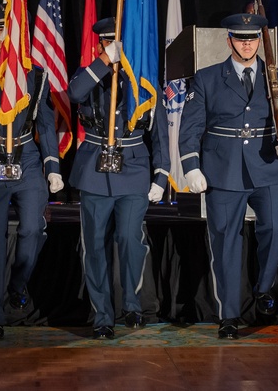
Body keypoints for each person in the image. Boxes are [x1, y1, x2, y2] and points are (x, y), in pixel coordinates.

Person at [178, 12, 278, 340]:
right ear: (229, 41)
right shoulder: (206, 78)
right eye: (241, 39)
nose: (247, 44)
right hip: (223, 171)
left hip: (268, 167)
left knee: (277, 231)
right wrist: (191, 166)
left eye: (252, 39)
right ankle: (230, 315)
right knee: (225, 243)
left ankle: (264, 287)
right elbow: (190, 126)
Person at [0, 4, 64, 340]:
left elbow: (46, 124)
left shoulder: (35, 74)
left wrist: (53, 167)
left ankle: (18, 284)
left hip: (27, 158)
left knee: (33, 228)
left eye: (10, 32)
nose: (5, 36)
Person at [67, 17, 170, 340]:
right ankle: (102, 315)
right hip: (95, 170)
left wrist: (161, 175)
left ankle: (132, 303)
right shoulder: (90, 73)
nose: (112, 46)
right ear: (99, 43)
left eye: (117, 41)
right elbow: (74, 92)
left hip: (134, 168)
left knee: (129, 240)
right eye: (106, 41)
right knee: (94, 246)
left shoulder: (142, 78)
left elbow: (160, 130)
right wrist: (103, 62)